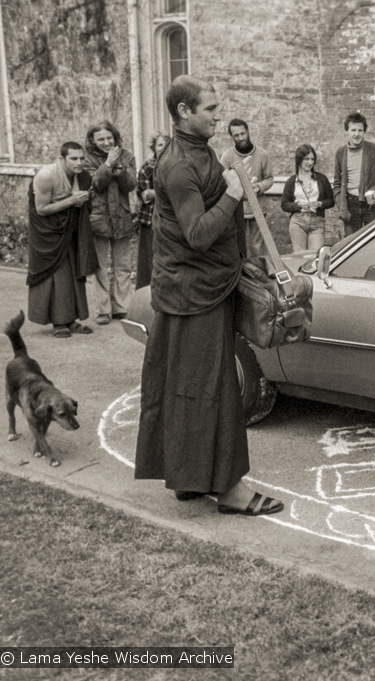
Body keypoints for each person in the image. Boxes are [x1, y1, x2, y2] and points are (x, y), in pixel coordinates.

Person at [135, 75, 284, 517]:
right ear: (184, 111)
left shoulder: (198, 153)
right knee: (214, 390)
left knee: (186, 387)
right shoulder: (179, 164)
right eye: (210, 109)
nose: (218, 115)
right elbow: (198, 234)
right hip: (194, 295)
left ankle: (189, 477)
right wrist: (234, 194)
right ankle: (231, 490)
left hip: (198, 291)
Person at [26, 142, 96, 338]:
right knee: (57, 275)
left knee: (73, 271)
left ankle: (71, 319)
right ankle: (58, 323)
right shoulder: (46, 175)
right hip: (47, 233)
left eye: (82, 158)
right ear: (62, 159)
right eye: (74, 158)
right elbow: (41, 209)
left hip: (70, 229)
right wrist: (72, 201)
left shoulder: (82, 176)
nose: (79, 162)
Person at [83, 120, 137, 326]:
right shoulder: (87, 159)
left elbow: (131, 185)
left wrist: (121, 171)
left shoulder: (127, 156)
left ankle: (123, 307)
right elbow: (94, 185)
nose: (106, 142)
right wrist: (107, 166)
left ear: (115, 137)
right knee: (101, 267)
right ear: (92, 141)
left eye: (109, 138)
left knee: (123, 266)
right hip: (98, 218)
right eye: (101, 139)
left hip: (122, 218)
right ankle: (103, 309)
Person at [219, 118, 274, 255]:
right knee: (238, 249)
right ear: (231, 137)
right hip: (237, 210)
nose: (241, 138)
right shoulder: (227, 157)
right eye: (236, 135)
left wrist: (259, 187)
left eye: (243, 133)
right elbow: (222, 183)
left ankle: (260, 275)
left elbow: (269, 179)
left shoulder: (262, 154)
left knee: (259, 249)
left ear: (248, 132)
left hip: (258, 209)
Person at [333, 112, 375, 235]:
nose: (356, 134)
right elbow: (337, 184)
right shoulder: (340, 153)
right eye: (353, 130)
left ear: (364, 132)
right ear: (347, 131)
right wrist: (341, 204)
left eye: (360, 130)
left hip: (372, 206)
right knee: (351, 245)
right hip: (350, 206)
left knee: (374, 242)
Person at [281, 145, 335, 252]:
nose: (310, 162)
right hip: (297, 222)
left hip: (317, 222)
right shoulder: (291, 181)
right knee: (299, 256)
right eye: (306, 159)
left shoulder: (321, 179)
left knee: (314, 257)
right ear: (299, 160)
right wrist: (298, 205)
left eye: (312, 159)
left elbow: (331, 200)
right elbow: (284, 204)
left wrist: (320, 204)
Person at [134, 131, 170, 289]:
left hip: (169, 219)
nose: (164, 148)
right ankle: (145, 293)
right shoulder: (147, 168)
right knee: (148, 258)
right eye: (160, 145)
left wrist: (158, 193)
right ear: (154, 148)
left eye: (167, 145)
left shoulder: (177, 166)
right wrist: (167, 192)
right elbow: (145, 195)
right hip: (150, 219)